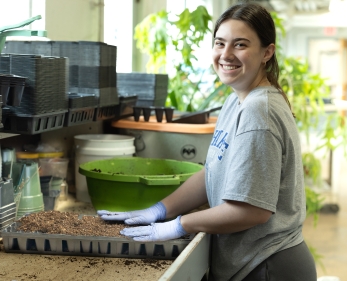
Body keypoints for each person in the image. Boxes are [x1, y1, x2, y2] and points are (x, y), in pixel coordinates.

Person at [97, 3, 317, 280]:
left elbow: (253, 210)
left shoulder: (258, 110)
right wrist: (160, 209)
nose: (226, 55)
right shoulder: (236, 100)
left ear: (267, 52)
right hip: (255, 260)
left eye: (240, 45)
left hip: (267, 265)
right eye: (219, 43)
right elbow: (214, 171)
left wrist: (178, 225)